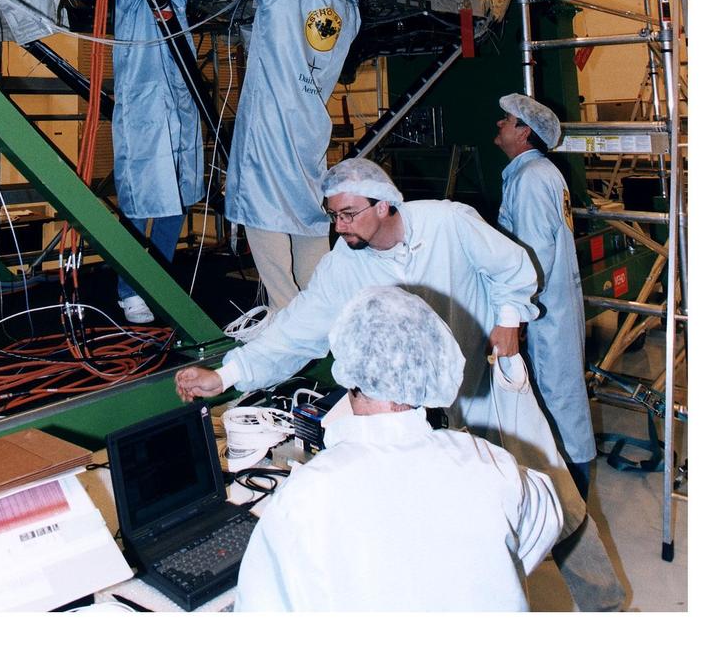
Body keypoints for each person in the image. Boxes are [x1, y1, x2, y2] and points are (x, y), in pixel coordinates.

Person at [177, 156, 626, 611]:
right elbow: (295, 331)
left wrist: (510, 319)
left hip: (487, 389)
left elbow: (513, 267)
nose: (339, 226)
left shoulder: (449, 224)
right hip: (414, 415)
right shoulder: (344, 265)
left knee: (554, 496)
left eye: (348, 214)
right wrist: (226, 375)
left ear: (385, 205)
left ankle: (606, 607)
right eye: (333, 215)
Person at [234, 285, 562, 612]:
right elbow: (546, 519)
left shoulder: (303, 498)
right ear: (432, 361)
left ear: (348, 370)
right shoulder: (489, 463)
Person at [224, 0, 364, 313]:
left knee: (261, 206)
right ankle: (322, 311)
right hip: (309, 127)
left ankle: (284, 316)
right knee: (306, 213)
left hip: (272, 121)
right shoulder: (350, 15)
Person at [496, 93, 596, 498]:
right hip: (549, 311)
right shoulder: (535, 173)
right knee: (560, 400)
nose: (499, 126)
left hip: (543, 316)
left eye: (506, 121)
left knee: (557, 404)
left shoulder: (533, 178)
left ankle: (572, 503)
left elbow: (534, 255)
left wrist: (513, 319)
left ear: (524, 131)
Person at [110, 0, 204, 323]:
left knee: (176, 198)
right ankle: (130, 290)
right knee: (138, 200)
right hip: (144, 101)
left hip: (178, 96)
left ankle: (159, 281)